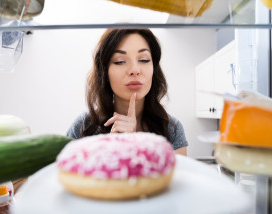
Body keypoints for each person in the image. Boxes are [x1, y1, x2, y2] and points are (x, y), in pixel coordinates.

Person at [66, 28, 188, 156]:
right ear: (105, 73)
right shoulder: (82, 126)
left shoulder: (172, 129)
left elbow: (177, 176)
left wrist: (134, 148)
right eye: (120, 61)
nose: (135, 70)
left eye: (144, 60)